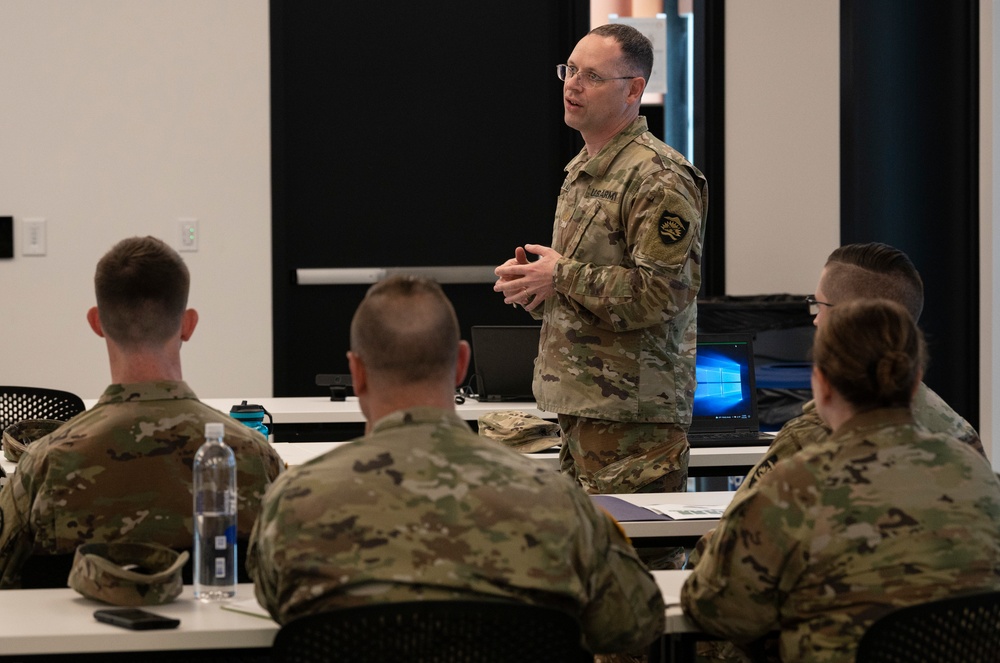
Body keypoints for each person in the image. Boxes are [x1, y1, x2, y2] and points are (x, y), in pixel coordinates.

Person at [246, 276, 665, 657]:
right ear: (462, 362)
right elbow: (633, 623)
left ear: (356, 372)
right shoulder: (556, 499)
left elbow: (274, 603)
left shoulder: (295, 500)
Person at [681, 298, 1000, 663]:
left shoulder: (795, 487)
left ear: (821, 385)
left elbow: (719, 609)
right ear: (915, 385)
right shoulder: (980, 477)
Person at [493, 23, 708, 500]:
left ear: (634, 90)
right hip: (580, 407)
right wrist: (537, 287)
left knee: (634, 564)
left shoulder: (659, 176)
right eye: (569, 70)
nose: (572, 83)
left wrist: (561, 275)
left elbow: (662, 293)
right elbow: (585, 289)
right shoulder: (583, 171)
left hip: (633, 420)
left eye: (591, 75)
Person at [0, 236, 284, 588]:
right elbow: (280, 576)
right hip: (217, 642)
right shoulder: (252, 454)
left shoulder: (46, 463)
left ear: (96, 323)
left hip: (83, 642)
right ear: (188, 324)